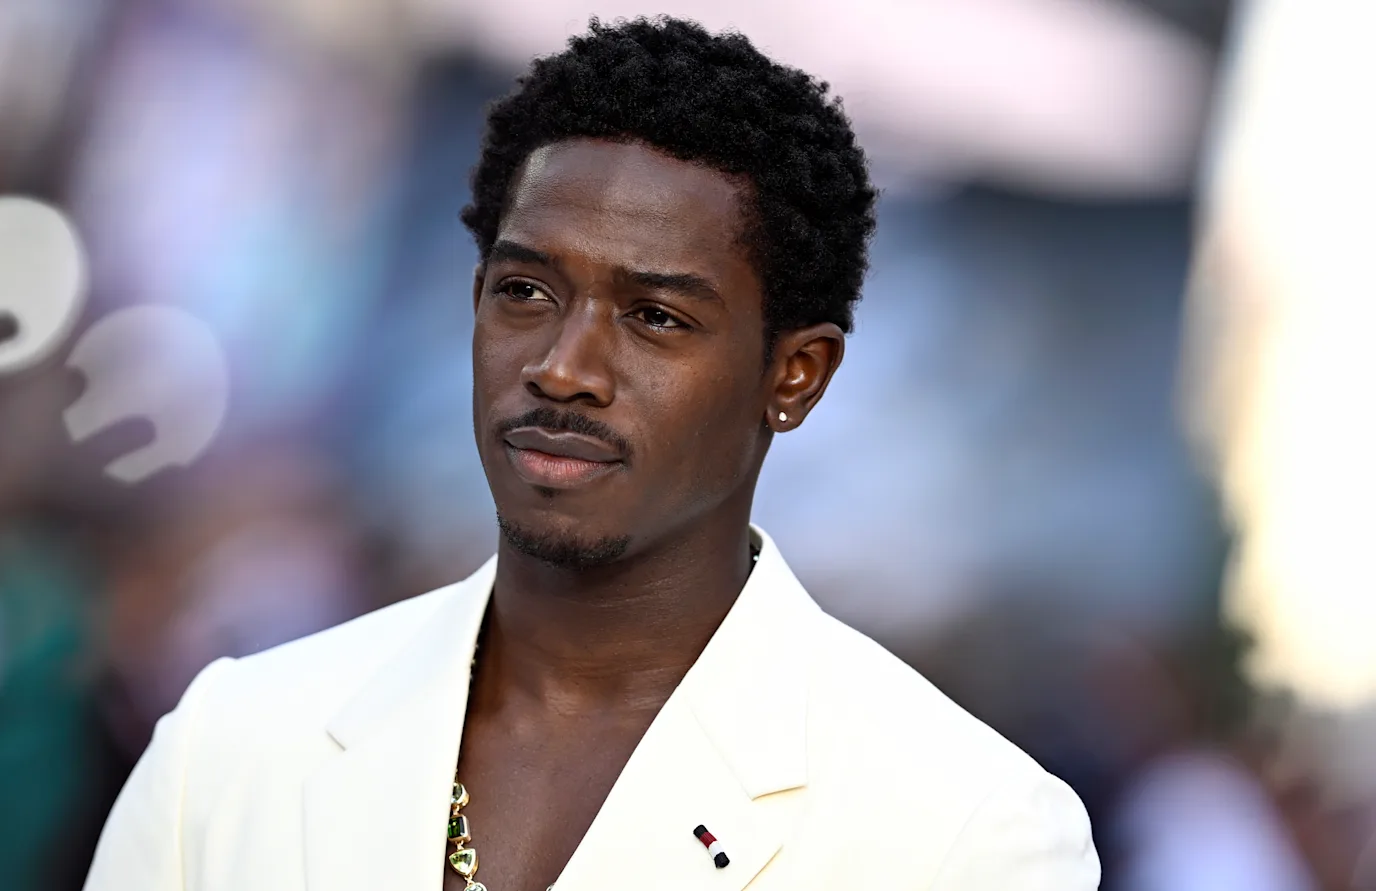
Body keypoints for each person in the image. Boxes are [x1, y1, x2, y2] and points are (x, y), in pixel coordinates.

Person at [82, 17, 1099, 891]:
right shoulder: (233, 746)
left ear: (795, 375)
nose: (564, 369)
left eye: (656, 317)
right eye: (525, 292)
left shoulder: (965, 832)